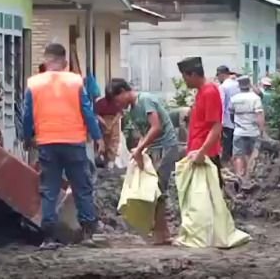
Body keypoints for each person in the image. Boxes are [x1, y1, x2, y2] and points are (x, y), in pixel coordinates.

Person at [23, 43, 104, 250]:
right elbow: (87, 111)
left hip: (47, 143)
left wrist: (27, 137)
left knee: (49, 189)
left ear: (45, 60)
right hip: (74, 142)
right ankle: (87, 233)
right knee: (81, 187)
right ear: (65, 62)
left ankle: (48, 238)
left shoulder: (33, 83)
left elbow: (27, 115)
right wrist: (97, 136)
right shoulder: (76, 81)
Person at [107, 77, 179, 245]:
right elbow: (143, 133)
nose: (118, 106)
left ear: (124, 92)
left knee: (158, 188)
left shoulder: (145, 100)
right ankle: (160, 231)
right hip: (152, 149)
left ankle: (163, 233)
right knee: (152, 190)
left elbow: (156, 127)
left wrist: (140, 149)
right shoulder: (132, 110)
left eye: (118, 101)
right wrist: (139, 150)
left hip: (166, 146)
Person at [177, 57, 224, 181]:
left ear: (192, 74)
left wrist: (202, 152)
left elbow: (216, 126)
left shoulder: (210, 92)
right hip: (196, 153)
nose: (184, 81)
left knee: (208, 196)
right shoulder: (201, 92)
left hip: (206, 155)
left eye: (185, 77)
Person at [229, 76, 265, 179]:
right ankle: (249, 177)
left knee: (239, 156)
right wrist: (261, 130)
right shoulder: (255, 98)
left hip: (239, 131)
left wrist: (236, 124)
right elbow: (259, 116)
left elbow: (231, 114)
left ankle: (239, 177)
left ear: (239, 86)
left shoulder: (234, 98)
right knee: (252, 155)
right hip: (253, 132)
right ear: (249, 85)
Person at [217, 65, 240, 163]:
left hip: (226, 120)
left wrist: (220, 121)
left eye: (218, 75)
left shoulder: (223, 87)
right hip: (238, 119)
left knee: (227, 144)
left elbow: (221, 103)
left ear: (222, 75)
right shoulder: (237, 84)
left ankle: (226, 163)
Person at [94, 95, 123, 169]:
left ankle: (111, 162)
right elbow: (96, 114)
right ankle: (106, 161)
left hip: (111, 120)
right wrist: (105, 123)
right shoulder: (100, 102)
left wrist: (111, 123)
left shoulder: (116, 102)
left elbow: (119, 113)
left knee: (113, 141)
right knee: (105, 141)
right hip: (104, 120)